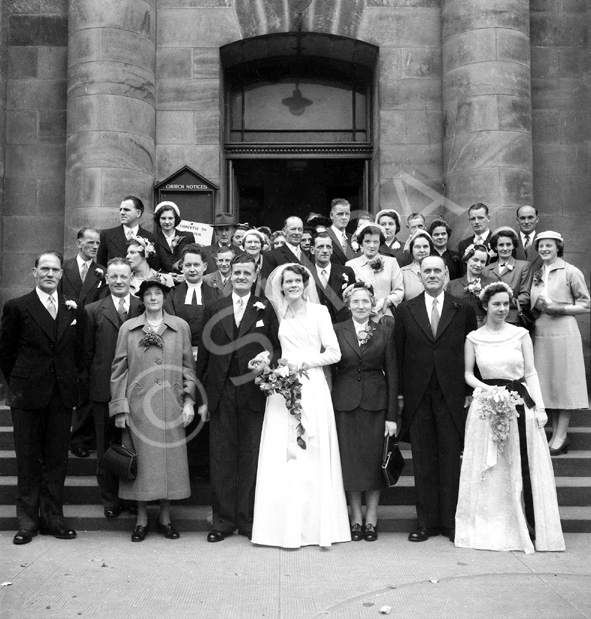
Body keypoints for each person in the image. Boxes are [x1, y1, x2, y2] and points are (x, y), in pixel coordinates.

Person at [455, 282, 565, 553]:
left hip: (519, 403)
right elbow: (468, 374)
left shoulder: (520, 335)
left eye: (506, 304)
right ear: (485, 306)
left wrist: (539, 408)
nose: (502, 309)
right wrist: (489, 390)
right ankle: (491, 525)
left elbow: (530, 372)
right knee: (491, 467)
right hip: (487, 404)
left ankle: (527, 526)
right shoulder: (473, 338)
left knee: (520, 462)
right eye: (497, 304)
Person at [252, 264, 350, 548]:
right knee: (281, 452)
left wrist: (302, 363)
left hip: (311, 385)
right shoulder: (278, 313)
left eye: (297, 280)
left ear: (305, 284)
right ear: (280, 286)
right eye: (287, 282)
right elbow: (275, 348)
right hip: (282, 388)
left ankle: (314, 527)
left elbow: (334, 353)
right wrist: (265, 361)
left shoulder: (320, 313)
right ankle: (279, 528)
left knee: (311, 449)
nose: (292, 285)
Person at [196, 255, 281, 542]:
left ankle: (247, 520)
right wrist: (203, 398)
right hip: (221, 391)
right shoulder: (214, 307)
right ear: (229, 275)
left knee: (250, 456)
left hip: (253, 392)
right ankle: (222, 521)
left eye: (247, 272)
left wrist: (267, 361)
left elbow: (276, 348)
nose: (242, 276)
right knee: (221, 458)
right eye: (237, 272)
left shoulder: (264, 308)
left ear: (256, 274)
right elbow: (205, 355)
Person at [110, 278, 201, 542]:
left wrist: (188, 401)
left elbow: (188, 368)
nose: (153, 298)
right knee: (141, 463)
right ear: (142, 299)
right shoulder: (129, 328)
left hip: (170, 405)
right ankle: (141, 518)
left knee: (168, 464)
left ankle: (165, 516)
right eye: (148, 294)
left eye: (157, 293)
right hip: (138, 406)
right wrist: (120, 408)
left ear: (164, 297)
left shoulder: (179, 326)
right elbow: (119, 370)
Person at [394, 256, 477, 543]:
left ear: (445, 274)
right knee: (423, 459)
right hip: (418, 396)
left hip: (451, 394)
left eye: (436, 271)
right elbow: (398, 355)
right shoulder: (405, 310)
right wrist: (401, 395)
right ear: (419, 274)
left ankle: (451, 523)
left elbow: (472, 353)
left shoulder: (463, 308)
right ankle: (425, 523)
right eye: (426, 271)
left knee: (450, 459)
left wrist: (468, 393)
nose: (431, 275)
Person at [0, 251, 80, 545]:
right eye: (44, 268)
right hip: (28, 396)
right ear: (34, 272)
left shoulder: (73, 308)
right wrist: (21, 382)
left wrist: (71, 382)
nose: (49, 274)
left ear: (61, 274)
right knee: (28, 460)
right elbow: (5, 352)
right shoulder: (17, 306)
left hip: (61, 396)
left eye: (55, 269)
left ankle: (53, 519)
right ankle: (27, 522)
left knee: (57, 460)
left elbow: (79, 353)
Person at [332, 283, 398, 542]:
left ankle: (371, 517)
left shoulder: (385, 332)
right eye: (356, 301)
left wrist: (392, 416)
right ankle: (354, 518)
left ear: (373, 305)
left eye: (365, 302)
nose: (361, 306)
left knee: (372, 463)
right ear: (348, 305)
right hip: (344, 404)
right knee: (350, 463)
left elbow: (392, 375)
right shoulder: (337, 331)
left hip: (376, 404)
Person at [83, 258, 143, 518]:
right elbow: (86, 354)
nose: (119, 281)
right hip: (104, 391)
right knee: (106, 446)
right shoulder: (93, 310)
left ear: (131, 278)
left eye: (124, 276)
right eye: (114, 276)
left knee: (132, 445)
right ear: (106, 279)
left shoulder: (143, 307)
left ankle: (129, 497)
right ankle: (109, 500)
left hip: (137, 391)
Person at [530, 231, 590, 455]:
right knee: (549, 383)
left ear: (558, 247)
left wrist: (561, 308)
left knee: (563, 382)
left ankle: (562, 434)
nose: (544, 249)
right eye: (541, 246)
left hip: (564, 330)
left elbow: (586, 304)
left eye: (549, 246)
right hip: (542, 331)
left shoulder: (570, 271)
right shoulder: (538, 273)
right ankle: (555, 432)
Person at [164, 245, 219, 480]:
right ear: (181, 267)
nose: (192, 269)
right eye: (188, 265)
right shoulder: (172, 295)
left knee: (203, 411)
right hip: (179, 360)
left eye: (197, 265)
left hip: (207, 361)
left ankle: (203, 469)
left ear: (205, 267)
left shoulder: (216, 294)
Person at [59, 227, 107, 459]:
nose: (95, 246)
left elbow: (103, 302)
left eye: (97, 243)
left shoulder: (102, 272)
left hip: (90, 336)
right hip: (66, 336)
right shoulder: (63, 268)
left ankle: (81, 438)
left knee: (88, 385)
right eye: (90, 242)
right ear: (79, 243)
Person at [346, 224, 404, 320]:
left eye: (375, 242)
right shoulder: (350, 265)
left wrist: (382, 303)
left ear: (380, 243)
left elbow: (399, 291)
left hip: (386, 316)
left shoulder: (391, 262)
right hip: (360, 317)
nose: (371, 246)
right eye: (367, 241)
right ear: (361, 243)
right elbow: (348, 296)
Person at [483, 227, 531, 324]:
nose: (505, 248)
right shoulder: (487, 269)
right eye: (501, 245)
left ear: (513, 246)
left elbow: (525, 296)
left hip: (513, 319)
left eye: (508, 244)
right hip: (491, 319)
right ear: (496, 247)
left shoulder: (523, 266)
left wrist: (502, 303)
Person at [97, 196, 160, 271]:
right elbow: (101, 266)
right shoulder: (107, 235)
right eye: (120, 210)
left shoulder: (151, 238)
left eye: (126, 210)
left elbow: (155, 266)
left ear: (138, 213)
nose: (122, 213)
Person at [309, 232, 356, 323]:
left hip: (342, 324)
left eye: (328, 247)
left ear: (332, 250)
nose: (325, 250)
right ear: (312, 250)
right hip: (315, 324)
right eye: (320, 247)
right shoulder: (307, 273)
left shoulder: (346, 272)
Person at [447, 244, 494, 326]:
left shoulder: (492, 283)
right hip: (459, 327)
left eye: (482, 262)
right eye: (475, 260)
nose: (479, 265)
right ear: (466, 260)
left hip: (484, 327)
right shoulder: (453, 285)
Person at [261, 216, 311, 281]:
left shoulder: (309, 254)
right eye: (293, 229)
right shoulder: (271, 255)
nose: (297, 233)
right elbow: (266, 284)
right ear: (284, 231)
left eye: (300, 229)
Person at [153, 201, 192, 282]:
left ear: (175, 219)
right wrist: (166, 276)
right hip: (164, 284)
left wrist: (186, 276)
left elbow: (194, 260)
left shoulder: (187, 237)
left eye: (170, 218)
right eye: (163, 218)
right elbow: (153, 267)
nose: (167, 222)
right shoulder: (153, 239)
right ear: (158, 219)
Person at [457, 203, 496, 272]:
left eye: (480, 218)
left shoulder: (498, 241)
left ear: (488, 218)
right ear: (469, 221)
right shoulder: (463, 245)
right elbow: (462, 272)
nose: (476, 222)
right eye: (473, 219)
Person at [400, 230, 434, 301]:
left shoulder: (440, 269)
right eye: (417, 247)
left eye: (425, 247)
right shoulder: (403, 272)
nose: (422, 250)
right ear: (411, 250)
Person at [326, 198, 356, 266]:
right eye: (340, 214)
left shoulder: (352, 238)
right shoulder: (324, 236)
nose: (344, 217)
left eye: (347, 214)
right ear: (331, 215)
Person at [515, 205, 543, 271]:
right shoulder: (511, 242)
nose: (526, 222)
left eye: (530, 217)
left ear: (537, 219)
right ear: (517, 220)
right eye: (522, 218)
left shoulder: (543, 241)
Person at [240, 229, 266, 295]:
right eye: (249, 242)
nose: (253, 245)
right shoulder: (237, 262)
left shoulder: (268, 262)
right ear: (244, 245)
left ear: (261, 245)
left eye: (256, 242)